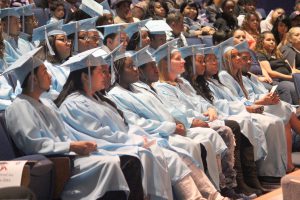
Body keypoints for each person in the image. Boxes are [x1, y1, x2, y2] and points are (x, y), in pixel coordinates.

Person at [55, 47, 226, 200]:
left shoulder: (100, 100)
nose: (107, 76)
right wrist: (137, 140)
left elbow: (126, 126)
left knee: (175, 155)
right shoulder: (74, 103)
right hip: (104, 150)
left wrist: (141, 136)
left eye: (108, 71)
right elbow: (99, 135)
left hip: (126, 142)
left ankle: (212, 196)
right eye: (102, 72)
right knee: (165, 154)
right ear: (85, 76)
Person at [3, 48, 144, 200]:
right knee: (115, 163)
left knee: (121, 160)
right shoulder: (19, 107)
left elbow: (64, 134)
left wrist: (78, 145)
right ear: (33, 79)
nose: (50, 76)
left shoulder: (47, 104)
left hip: (68, 156)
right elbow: (34, 145)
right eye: (44, 72)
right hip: (56, 163)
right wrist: (71, 147)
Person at [107, 46, 232, 195]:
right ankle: (209, 194)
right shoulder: (115, 95)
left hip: (170, 129)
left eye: (135, 65)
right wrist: (172, 127)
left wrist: (177, 122)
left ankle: (219, 188)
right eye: (130, 66)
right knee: (189, 146)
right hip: (157, 134)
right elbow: (137, 122)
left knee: (209, 138)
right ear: (117, 72)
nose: (135, 69)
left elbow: (165, 110)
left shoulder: (139, 88)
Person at [152, 41, 257, 198]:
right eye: (178, 58)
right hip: (190, 125)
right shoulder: (161, 87)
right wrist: (200, 118)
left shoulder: (182, 82)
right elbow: (178, 112)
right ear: (165, 63)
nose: (183, 61)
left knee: (229, 128)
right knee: (225, 130)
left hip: (203, 119)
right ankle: (224, 186)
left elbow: (198, 101)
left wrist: (209, 108)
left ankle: (233, 185)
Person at [219, 44, 300, 173]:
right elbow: (236, 100)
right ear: (225, 61)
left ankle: (287, 163)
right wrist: (261, 100)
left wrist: (266, 97)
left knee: (283, 108)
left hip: (254, 104)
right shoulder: (224, 76)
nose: (239, 58)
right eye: (234, 56)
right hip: (244, 109)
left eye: (238, 55)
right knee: (283, 110)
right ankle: (285, 164)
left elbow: (251, 94)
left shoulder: (240, 75)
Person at [255, 31, 299, 105]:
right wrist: (289, 77)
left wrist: (295, 76)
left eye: (273, 40)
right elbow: (270, 72)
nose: (272, 42)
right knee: (291, 86)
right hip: (278, 81)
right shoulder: (260, 55)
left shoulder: (278, 55)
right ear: (261, 42)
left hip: (289, 78)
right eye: (268, 40)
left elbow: (292, 70)